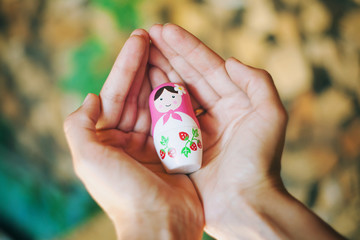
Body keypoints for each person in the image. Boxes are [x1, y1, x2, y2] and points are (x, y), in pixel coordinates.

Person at [64, 24, 346, 240]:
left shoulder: (175, 104)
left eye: (168, 99)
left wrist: (155, 218)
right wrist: (154, 215)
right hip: (174, 147)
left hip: (186, 149)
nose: (165, 102)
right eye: (160, 102)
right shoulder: (164, 113)